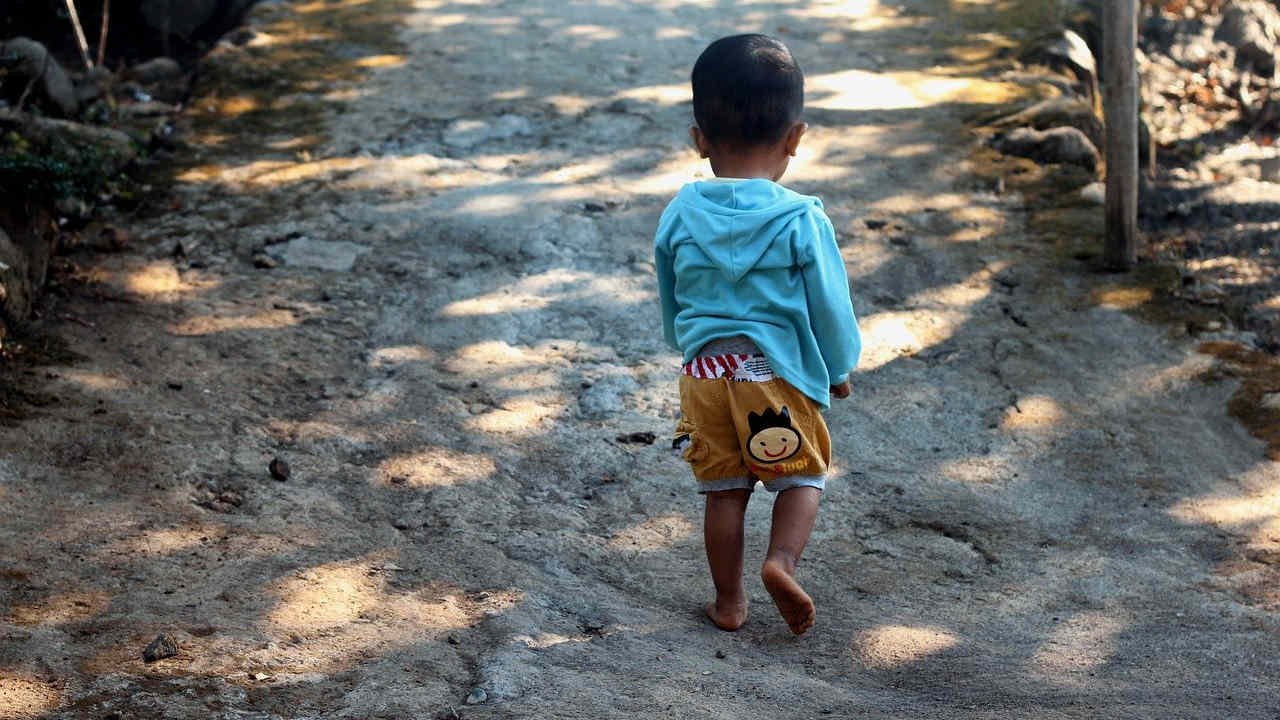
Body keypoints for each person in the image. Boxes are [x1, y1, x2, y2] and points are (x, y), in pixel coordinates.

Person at [654, 34, 861, 635]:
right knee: (802, 474)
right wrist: (838, 367)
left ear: (699, 140)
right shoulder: (801, 218)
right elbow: (829, 306)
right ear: (795, 139)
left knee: (724, 493)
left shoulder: (680, 211)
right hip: (773, 375)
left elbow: (672, 294)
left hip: (704, 377)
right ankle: (781, 560)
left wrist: (685, 343)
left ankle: (729, 602)